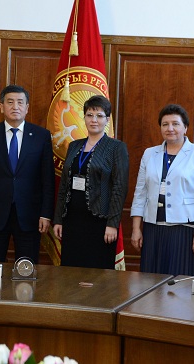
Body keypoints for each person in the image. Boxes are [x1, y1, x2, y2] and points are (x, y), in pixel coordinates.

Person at [0, 84, 55, 263]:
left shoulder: (41, 136)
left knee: (26, 269)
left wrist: (46, 214)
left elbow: (47, 180)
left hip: (29, 215)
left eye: (20, 102)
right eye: (10, 102)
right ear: (2, 107)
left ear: (27, 107)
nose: (15, 106)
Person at [130, 104, 194, 276]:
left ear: (186, 128)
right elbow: (140, 192)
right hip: (153, 228)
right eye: (165, 124)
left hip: (185, 230)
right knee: (151, 281)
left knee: (180, 283)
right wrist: (136, 228)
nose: (170, 128)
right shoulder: (149, 154)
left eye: (175, 124)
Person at [52, 95, 129, 269]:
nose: (94, 120)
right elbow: (64, 185)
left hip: (100, 222)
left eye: (99, 116)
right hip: (72, 220)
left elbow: (120, 188)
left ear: (107, 120)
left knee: (97, 275)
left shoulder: (116, 148)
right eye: (89, 115)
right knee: (71, 272)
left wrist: (112, 224)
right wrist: (58, 219)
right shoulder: (74, 145)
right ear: (84, 118)